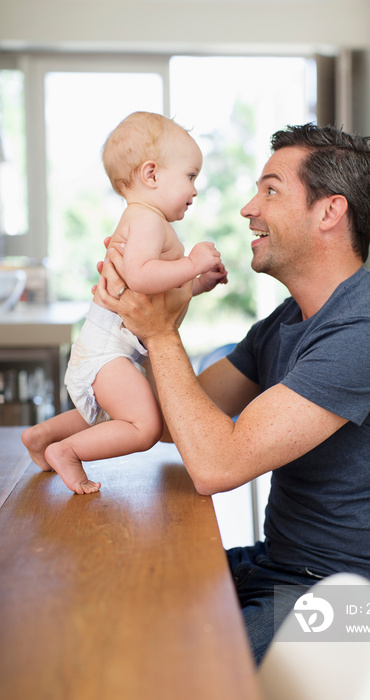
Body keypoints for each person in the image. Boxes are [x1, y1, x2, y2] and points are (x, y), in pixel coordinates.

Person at [96, 123, 370, 664]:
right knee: (122, 604)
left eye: (271, 190)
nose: (248, 208)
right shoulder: (289, 321)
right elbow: (166, 423)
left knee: (161, 663)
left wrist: (160, 334)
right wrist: (152, 318)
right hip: (286, 567)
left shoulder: (364, 335)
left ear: (330, 212)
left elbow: (214, 465)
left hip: (365, 600)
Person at [22, 111, 227, 495]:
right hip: (106, 349)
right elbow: (139, 278)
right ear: (151, 175)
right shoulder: (146, 220)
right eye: (190, 176)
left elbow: (154, 296)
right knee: (144, 426)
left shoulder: (149, 221)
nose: (195, 190)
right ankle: (66, 451)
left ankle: (42, 436)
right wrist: (192, 262)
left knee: (117, 416)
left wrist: (197, 283)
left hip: (110, 346)